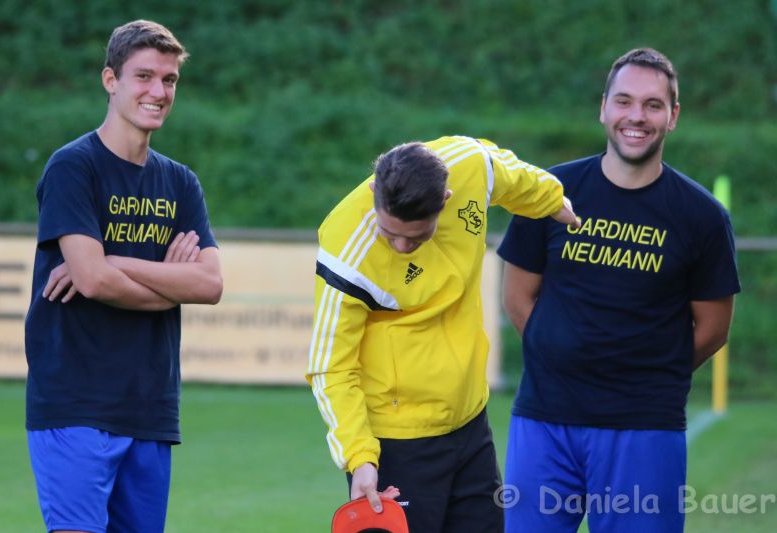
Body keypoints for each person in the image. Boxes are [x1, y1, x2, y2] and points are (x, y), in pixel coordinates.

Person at [498, 48, 740, 532]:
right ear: (604, 107)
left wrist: (646, 373)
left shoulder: (703, 216)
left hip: (644, 427)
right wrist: (559, 354)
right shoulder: (548, 192)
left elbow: (713, 328)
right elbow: (517, 296)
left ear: (673, 116)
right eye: (624, 101)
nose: (637, 116)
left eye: (653, 105)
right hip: (545, 421)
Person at [306, 135, 580, 532]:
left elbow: (510, 173)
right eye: (390, 233)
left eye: (417, 236)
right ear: (374, 192)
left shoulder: (470, 166)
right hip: (397, 442)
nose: (402, 246)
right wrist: (359, 457)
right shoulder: (346, 249)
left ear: (446, 200)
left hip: (470, 424)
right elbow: (330, 366)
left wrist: (553, 200)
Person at [24, 20, 222, 533]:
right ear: (110, 80)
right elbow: (92, 282)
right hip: (75, 405)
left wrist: (115, 260)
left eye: (169, 80)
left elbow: (209, 285)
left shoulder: (180, 182)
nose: (159, 91)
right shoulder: (73, 167)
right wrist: (168, 282)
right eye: (144, 76)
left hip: (149, 408)